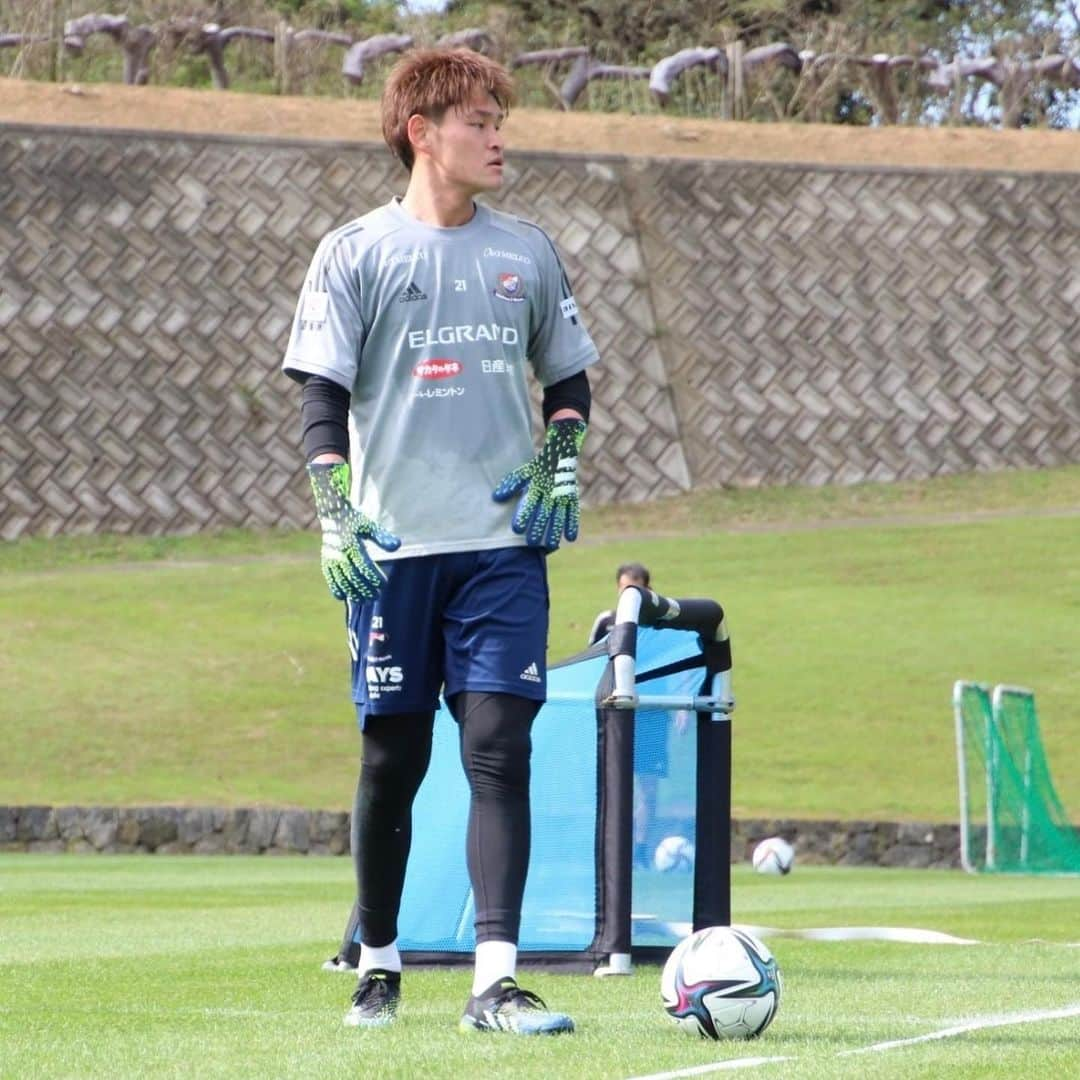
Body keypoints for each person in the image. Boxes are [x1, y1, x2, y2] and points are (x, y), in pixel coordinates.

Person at [281, 48, 599, 1035]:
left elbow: (571, 383)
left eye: (500, 119)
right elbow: (321, 400)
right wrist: (335, 510)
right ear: (422, 133)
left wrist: (561, 453)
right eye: (478, 121)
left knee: (499, 751)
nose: (499, 136)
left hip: (503, 550)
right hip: (393, 552)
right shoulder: (354, 252)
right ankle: (378, 960)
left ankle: (493, 982)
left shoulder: (529, 253)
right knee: (393, 761)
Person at [588, 563, 689, 869]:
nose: (629, 594)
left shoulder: (661, 624)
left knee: (647, 786)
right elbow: (590, 664)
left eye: (636, 588)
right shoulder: (607, 621)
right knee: (610, 783)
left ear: (648, 589)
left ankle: (640, 850)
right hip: (613, 713)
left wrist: (682, 705)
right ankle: (608, 851)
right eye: (624, 588)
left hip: (650, 712)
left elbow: (677, 663)